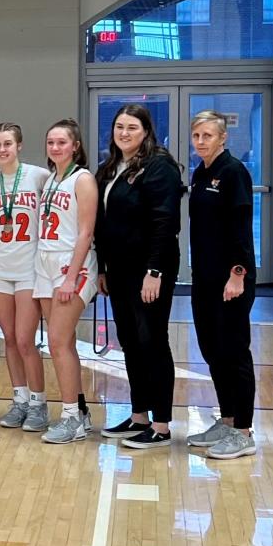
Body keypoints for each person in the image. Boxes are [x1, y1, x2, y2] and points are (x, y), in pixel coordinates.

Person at [95, 105, 182, 449]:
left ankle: (160, 425)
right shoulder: (110, 167)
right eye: (119, 126)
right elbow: (104, 224)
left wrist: (155, 271)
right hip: (118, 270)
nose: (124, 133)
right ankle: (139, 416)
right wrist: (102, 267)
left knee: (153, 342)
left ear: (146, 131)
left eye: (132, 127)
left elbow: (165, 222)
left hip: (149, 271)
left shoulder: (159, 166)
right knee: (130, 342)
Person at [187, 110, 257, 460]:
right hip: (204, 278)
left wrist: (237, 273)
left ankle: (243, 431)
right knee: (212, 351)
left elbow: (241, 227)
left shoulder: (233, 172)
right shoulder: (201, 172)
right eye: (196, 135)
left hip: (232, 279)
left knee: (234, 352)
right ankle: (227, 419)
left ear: (222, 138)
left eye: (207, 136)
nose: (201, 141)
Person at [0, 123, 51, 432]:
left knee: (25, 340)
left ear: (19, 146)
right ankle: (20, 398)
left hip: (28, 268)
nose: (2, 149)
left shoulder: (38, 176)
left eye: (8, 143)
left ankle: (39, 403)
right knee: (10, 339)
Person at [34, 119, 98, 444]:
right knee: (64, 342)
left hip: (71, 266)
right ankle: (81, 412)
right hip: (45, 262)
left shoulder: (82, 179)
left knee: (57, 341)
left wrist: (71, 278)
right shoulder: (51, 180)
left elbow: (86, 232)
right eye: (51, 142)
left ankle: (71, 417)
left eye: (62, 142)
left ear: (75, 146)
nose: (56, 147)